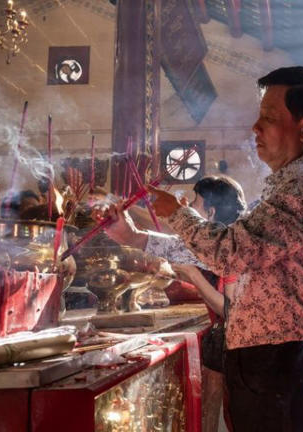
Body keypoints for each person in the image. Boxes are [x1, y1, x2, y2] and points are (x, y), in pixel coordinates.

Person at [144, 66, 303, 432]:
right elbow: (227, 249)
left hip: (283, 363)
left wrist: (176, 213)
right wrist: (138, 239)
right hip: (268, 363)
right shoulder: (285, 187)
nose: (256, 127)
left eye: (269, 117)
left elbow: (229, 254)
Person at [104, 175, 247, 432]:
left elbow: (231, 310)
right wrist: (129, 234)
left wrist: (192, 275)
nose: (188, 207)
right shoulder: (207, 245)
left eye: (194, 203)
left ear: (211, 213)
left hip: (252, 356)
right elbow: (158, 245)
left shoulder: (234, 245)